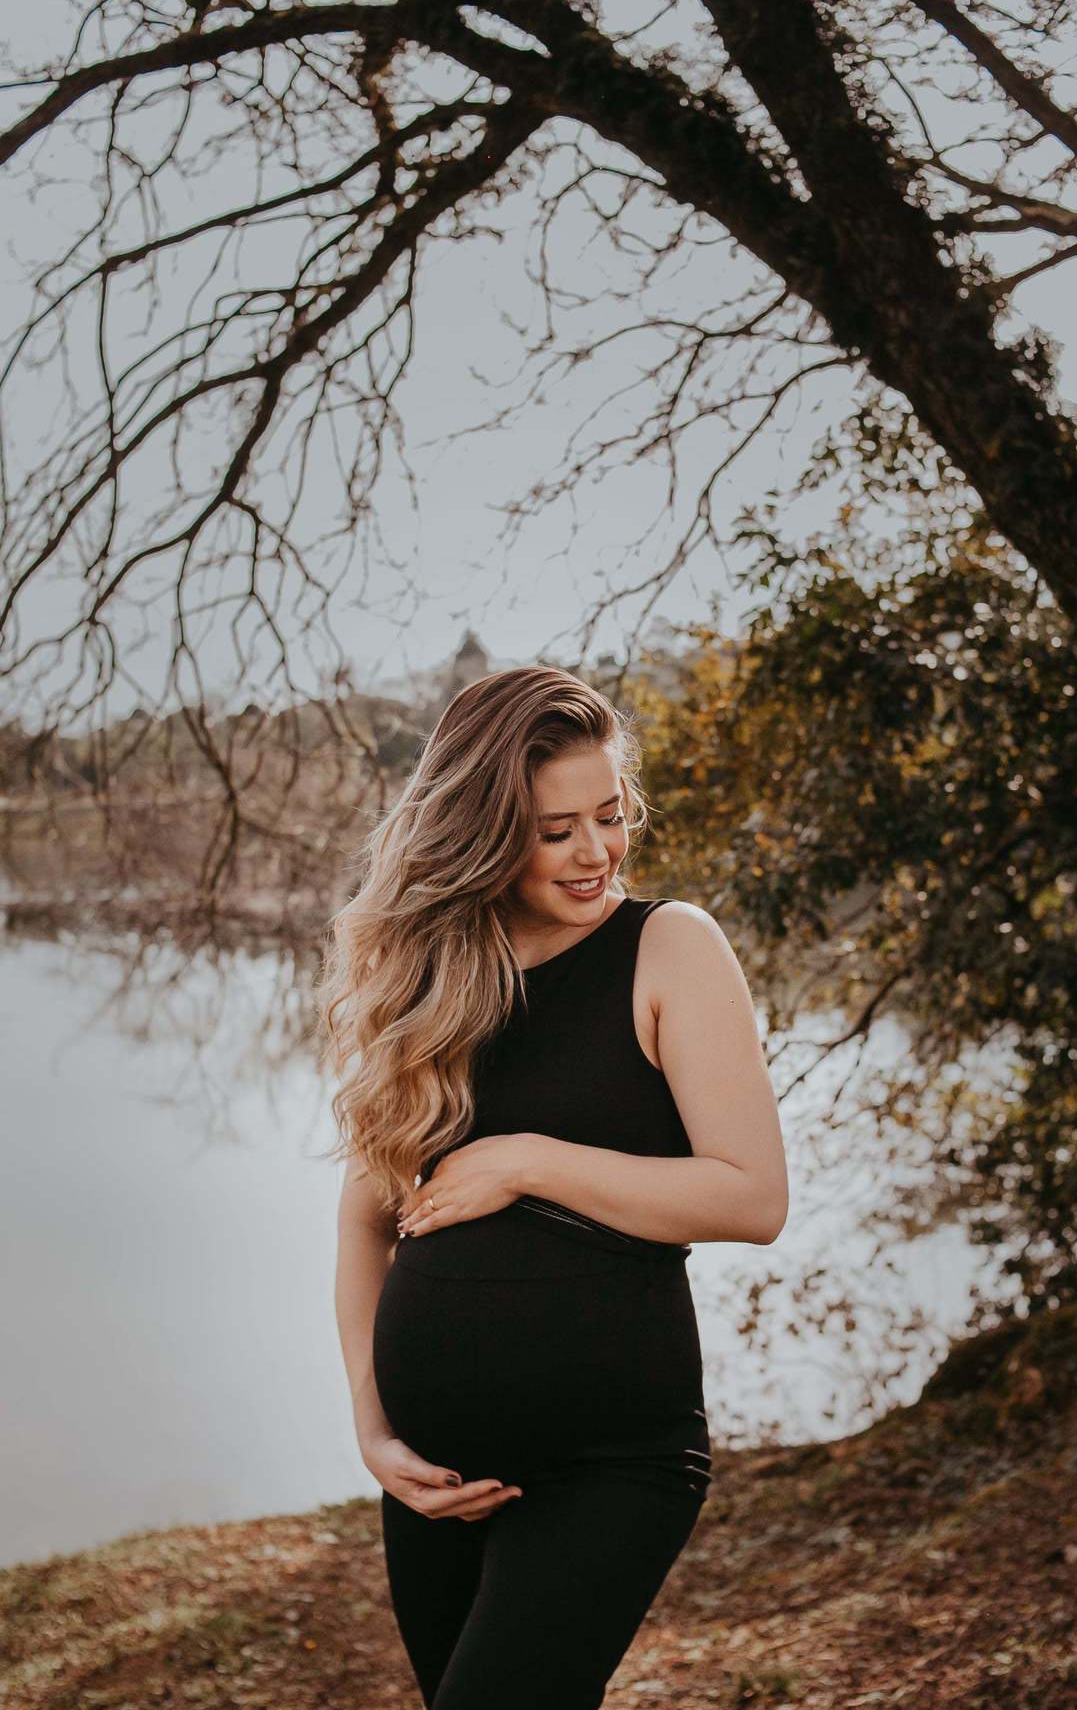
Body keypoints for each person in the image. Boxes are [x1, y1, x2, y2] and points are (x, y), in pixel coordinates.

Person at [319, 665, 789, 1708]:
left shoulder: (668, 948)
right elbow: (364, 1221)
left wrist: (527, 1161)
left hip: (610, 1458)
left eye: (610, 816)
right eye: (554, 830)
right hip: (437, 1477)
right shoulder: (440, 977)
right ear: (484, 835)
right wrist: (373, 1422)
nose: (596, 854)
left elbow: (752, 1196)